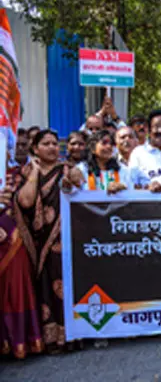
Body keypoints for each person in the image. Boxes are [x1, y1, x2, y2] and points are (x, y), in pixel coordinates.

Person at [15, 130, 83, 354]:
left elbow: (80, 191)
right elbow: (25, 201)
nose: (53, 147)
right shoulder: (25, 172)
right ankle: (48, 338)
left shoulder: (67, 170)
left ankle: (69, 336)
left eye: (55, 143)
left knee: (66, 286)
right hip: (36, 244)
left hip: (64, 242)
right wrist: (34, 171)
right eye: (46, 144)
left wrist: (74, 181)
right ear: (35, 148)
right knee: (43, 287)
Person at [0, 170, 43, 359]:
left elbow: (27, 202)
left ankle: (19, 340)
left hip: (17, 236)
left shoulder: (23, 171)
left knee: (16, 286)